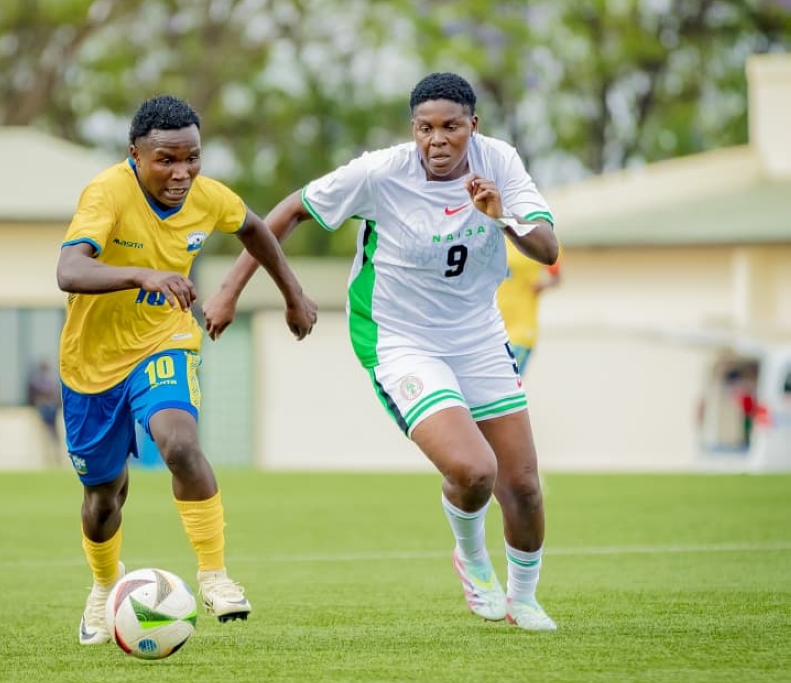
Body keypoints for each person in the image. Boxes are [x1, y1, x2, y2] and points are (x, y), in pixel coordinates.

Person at [203, 72, 560, 631]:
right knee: (474, 470)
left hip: (479, 334)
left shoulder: (501, 162)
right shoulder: (380, 173)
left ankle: (525, 600)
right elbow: (287, 211)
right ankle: (470, 556)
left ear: (474, 126)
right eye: (425, 128)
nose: (437, 140)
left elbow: (547, 246)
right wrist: (233, 290)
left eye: (451, 127)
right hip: (400, 337)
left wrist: (502, 214)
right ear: (412, 129)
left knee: (525, 487)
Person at [57, 93, 317, 645]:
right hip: (91, 362)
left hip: (164, 339)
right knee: (104, 497)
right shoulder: (106, 192)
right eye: (167, 160)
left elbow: (254, 229)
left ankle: (215, 576)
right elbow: (69, 269)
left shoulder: (208, 197)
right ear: (135, 155)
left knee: (179, 443)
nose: (182, 173)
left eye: (192, 158)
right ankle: (105, 588)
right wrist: (143, 274)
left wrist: (293, 295)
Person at [496, 239, 561, 376]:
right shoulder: (494, 235)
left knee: (506, 380)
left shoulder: (538, 237)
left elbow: (556, 276)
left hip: (521, 328)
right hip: (492, 327)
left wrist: (543, 285)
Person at [27, 359, 63, 467]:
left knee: (51, 433)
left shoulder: (49, 379)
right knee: (49, 433)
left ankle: (54, 456)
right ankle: (51, 456)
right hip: (46, 408)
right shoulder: (43, 379)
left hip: (49, 408)